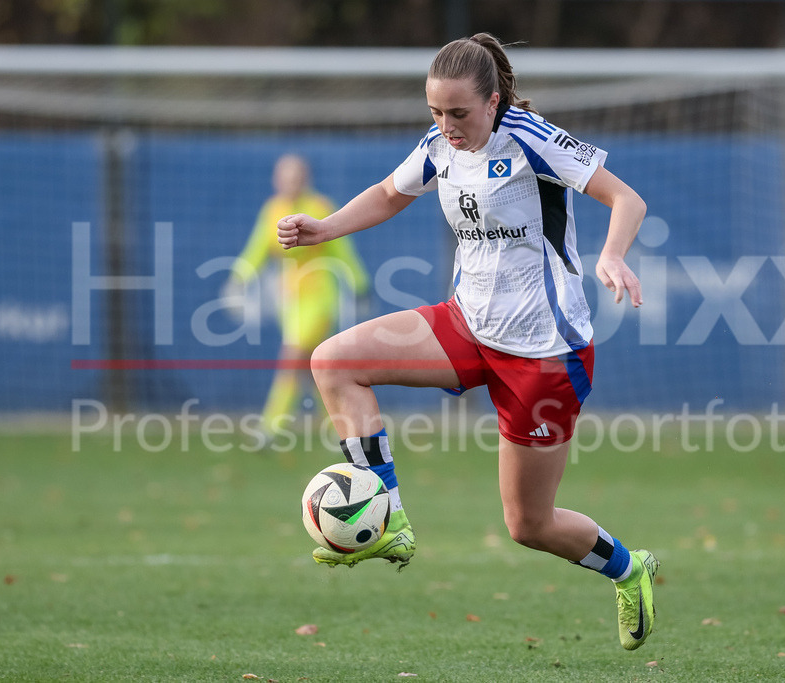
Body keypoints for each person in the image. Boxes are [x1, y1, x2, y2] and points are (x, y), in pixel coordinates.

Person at [278, 34, 658, 650]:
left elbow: (626, 199)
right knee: (335, 362)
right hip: (467, 326)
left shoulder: (530, 138)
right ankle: (388, 517)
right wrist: (324, 229)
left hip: (544, 354)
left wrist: (612, 255)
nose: (446, 126)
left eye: (458, 113)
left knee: (529, 524)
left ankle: (628, 569)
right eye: (435, 112)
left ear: (493, 101)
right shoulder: (439, 146)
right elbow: (389, 193)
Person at [224, 153, 368, 440]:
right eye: (284, 177)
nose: (290, 183)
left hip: (319, 299)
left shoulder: (319, 207)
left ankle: (270, 427)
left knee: (291, 359)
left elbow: (342, 250)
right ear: (276, 180)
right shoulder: (272, 210)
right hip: (289, 302)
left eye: (296, 177)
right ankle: (342, 428)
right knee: (313, 368)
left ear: (305, 179)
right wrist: (237, 279)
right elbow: (257, 249)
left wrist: (360, 285)